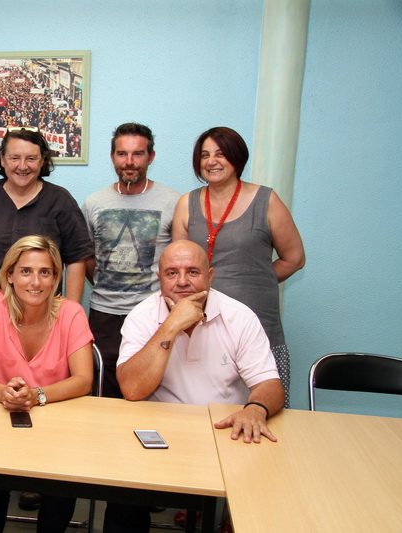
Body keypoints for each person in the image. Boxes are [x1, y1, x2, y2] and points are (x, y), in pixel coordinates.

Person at [107, 240, 285, 533]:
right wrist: (171, 326)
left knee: (257, 501)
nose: (183, 282)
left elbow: (270, 384)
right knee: (121, 500)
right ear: (160, 278)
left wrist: (255, 409)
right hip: (159, 432)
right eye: (172, 273)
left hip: (222, 433)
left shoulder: (239, 316)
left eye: (193, 271)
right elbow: (132, 389)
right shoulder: (142, 315)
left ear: (210, 276)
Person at [0, 235, 94, 533]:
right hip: (0, 424)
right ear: (10, 275)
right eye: (26, 271)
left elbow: (84, 380)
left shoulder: (71, 312)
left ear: (56, 277)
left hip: (58, 431)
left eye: (45, 272)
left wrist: (37, 395)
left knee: (60, 497)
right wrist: (3, 393)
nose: (36, 281)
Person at [172, 126, 305, 406]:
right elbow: (176, 265)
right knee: (199, 407)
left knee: (261, 408)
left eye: (220, 154)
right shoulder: (187, 203)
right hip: (200, 325)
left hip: (256, 321)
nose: (211, 161)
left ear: (237, 158)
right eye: (205, 155)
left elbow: (294, 258)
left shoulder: (266, 200)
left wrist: (255, 280)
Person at [81, 123, 180, 398]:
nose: (129, 162)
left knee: (151, 390)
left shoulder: (173, 201)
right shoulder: (94, 202)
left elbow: (178, 259)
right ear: (112, 156)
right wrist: (109, 284)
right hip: (105, 316)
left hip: (155, 314)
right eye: (122, 154)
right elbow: (88, 255)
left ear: (151, 156)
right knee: (105, 391)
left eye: (138, 154)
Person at [0, 128, 93, 313]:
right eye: (14, 157)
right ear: (2, 159)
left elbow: (76, 260)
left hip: (40, 316)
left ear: (42, 161)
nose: (23, 166)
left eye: (31, 158)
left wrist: (70, 315)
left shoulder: (61, 201)